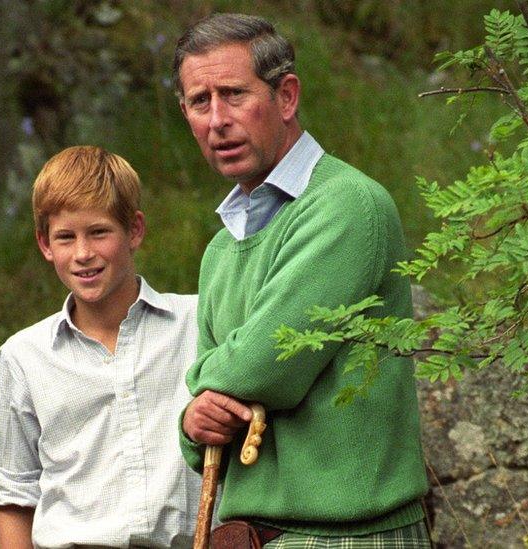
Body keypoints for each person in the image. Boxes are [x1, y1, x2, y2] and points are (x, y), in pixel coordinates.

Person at [173, 13, 430, 547]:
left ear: (286, 97)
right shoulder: (221, 247)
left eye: (234, 94)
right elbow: (215, 404)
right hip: (256, 535)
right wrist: (194, 423)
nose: (217, 119)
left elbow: (260, 368)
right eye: (200, 101)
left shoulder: (347, 206)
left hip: (352, 537)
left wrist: (206, 381)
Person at [0, 146, 201, 548]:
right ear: (45, 244)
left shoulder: (196, 324)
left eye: (99, 232)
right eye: (65, 237)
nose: (83, 254)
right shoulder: (24, 357)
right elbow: (16, 493)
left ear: (134, 230)